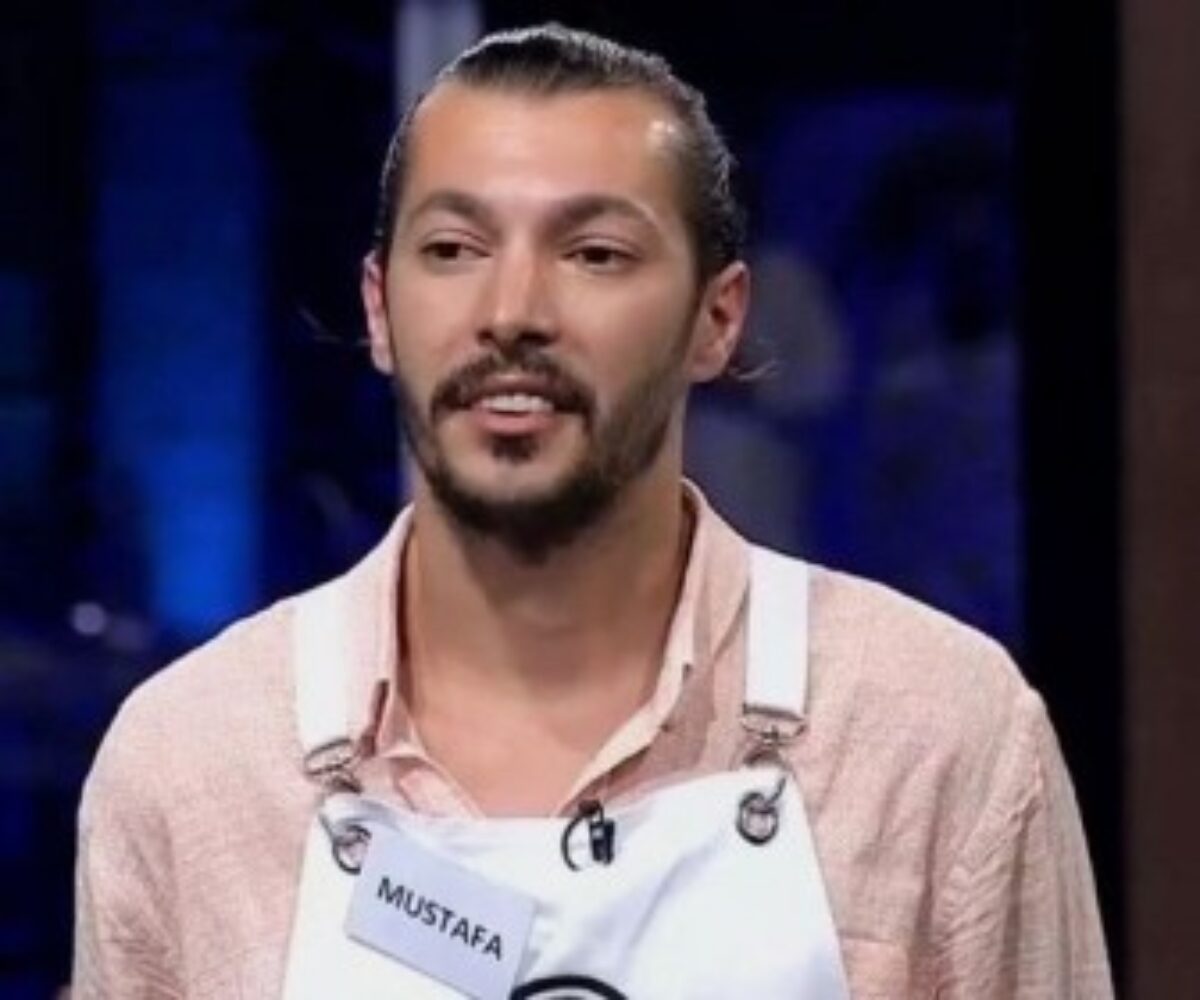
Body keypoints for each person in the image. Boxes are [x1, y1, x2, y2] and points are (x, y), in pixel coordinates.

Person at [72, 23, 1113, 999]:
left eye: (595, 254)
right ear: (380, 310)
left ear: (717, 320)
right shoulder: (194, 764)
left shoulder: (934, 732)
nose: (512, 313)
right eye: (454, 249)